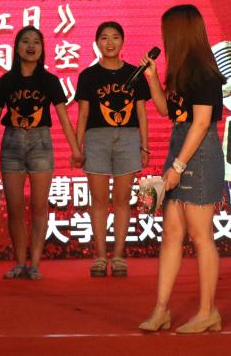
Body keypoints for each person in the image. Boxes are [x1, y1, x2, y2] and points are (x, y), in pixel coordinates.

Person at [138, 4, 224, 333]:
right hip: (180, 147)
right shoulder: (181, 70)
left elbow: (201, 123)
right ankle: (161, 310)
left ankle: (208, 311)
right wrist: (152, 78)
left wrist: (177, 165)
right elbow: (166, 110)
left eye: (167, 31)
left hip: (198, 153)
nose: (164, 37)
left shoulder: (204, 72)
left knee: (201, 235)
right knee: (172, 233)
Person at [0, 26, 82, 280]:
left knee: (39, 207)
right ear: (16, 47)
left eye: (36, 42)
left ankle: (35, 264)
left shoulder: (50, 81)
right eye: (25, 41)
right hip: (11, 144)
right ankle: (20, 263)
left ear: (42, 49)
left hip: (40, 144)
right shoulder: (6, 81)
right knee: (15, 208)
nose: (31, 46)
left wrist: (76, 150)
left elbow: (64, 118)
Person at [73, 21, 150, 278]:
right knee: (98, 201)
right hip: (96, 138)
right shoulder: (88, 75)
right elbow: (83, 114)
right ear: (96, 43)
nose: (110, 43)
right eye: (104, 38)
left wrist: (145, 146)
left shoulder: (135, 73)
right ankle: (99, 256)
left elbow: (141, 112)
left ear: (122, 42)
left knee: (122, 200)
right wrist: (77, 146)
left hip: (128, 137)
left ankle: (118, 256)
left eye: (115, 37)